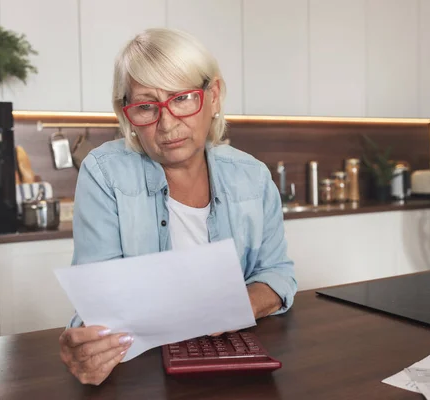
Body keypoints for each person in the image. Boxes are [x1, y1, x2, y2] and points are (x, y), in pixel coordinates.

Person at [59, 28, 297, 385]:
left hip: (235, 369)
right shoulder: (104, 173)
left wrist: (236, 307)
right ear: (127, 115)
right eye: (145, 106)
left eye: (182, 98)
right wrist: (87, 347)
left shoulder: (253, 177)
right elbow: (98, 305)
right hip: (143, 378)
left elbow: (278, 274)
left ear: (213, 96)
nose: (167, 124)